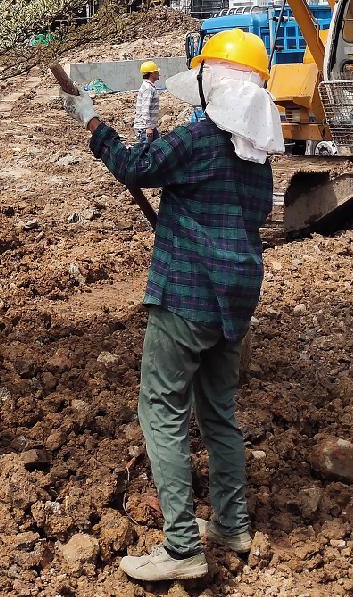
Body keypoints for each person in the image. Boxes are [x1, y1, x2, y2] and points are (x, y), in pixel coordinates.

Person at [67, 29, 282, 583]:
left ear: (213, 82)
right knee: (218, 411)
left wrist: (91, 121)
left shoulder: (202, 140)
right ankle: (231, 525)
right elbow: (243, 217)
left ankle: (183, 546)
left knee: (160, 409)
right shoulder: (256, 157)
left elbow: (135, 166)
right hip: (234, 298)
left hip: (187, 292)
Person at [135, 61, 161, 143]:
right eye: (156, 71)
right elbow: (145, 109)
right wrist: (148, 127)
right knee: (145, 153)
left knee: (157, 150)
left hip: (149, 127)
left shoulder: (149, 87)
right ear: (151, 74)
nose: (158, 73)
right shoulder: (148, 89)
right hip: (145, 128)